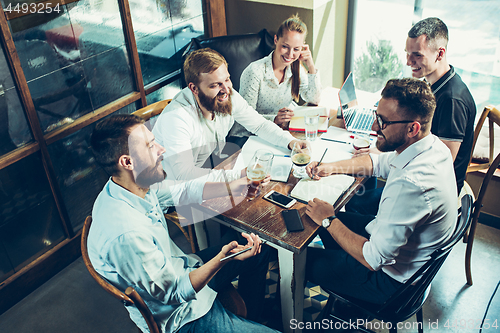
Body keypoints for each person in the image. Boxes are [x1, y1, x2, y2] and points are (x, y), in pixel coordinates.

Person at [88, 114, 279, 333]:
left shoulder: (129, 186)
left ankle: (249, 320)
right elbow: (174, 293)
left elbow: (183, 191)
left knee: (260, 250)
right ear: (128, 162)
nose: (162, 149)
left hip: (183, 267)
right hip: (179, 315)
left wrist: (237, 185)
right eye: (150, 146)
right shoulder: (126, 233)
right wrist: (222, 259)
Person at [304, 78, 457, 305]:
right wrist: (331, 167)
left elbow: (374, 259)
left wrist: (329, 220)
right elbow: (378, 163)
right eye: (376, 116)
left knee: (302, 258)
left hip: (392, 284)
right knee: (319, 221)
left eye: (383, 122)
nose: (374, 127)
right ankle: (342, 272)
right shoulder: (432, 146)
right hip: (400, 257)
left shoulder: (412, 184)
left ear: (412, 128)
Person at [347, 17, 476, 215]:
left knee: (355, 204)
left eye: (416, 55)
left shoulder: (452, 101)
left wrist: (384, 154)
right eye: (407, 54)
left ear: (440, 54)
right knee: (366, 174)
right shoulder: (435, 84)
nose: (408, 62)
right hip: (418, 177)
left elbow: (442, 162)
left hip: (428, 192)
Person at [152, 48, 306, 183]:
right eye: (215, 85)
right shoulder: (177, 117)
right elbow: (184, 174)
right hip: (170, 187)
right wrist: (238, 176)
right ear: (194, 88)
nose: (226, 89)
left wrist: (291, 142)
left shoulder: (226, 95)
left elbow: (259, 124)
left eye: (227, 79)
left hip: (206, 169)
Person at [229, 14, 322, 138]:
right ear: (276, 40)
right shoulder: (254, 72)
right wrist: (275, 119)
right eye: (285, 46)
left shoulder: (296, 68)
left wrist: (310, 65)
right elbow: (245, 118)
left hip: (280, 131)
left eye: (296, 49)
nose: (290, 54)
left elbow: (313, 99)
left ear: (303, 47)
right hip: (250, 135)